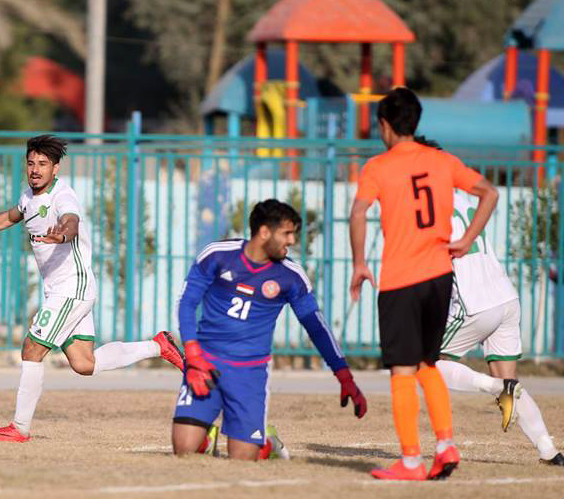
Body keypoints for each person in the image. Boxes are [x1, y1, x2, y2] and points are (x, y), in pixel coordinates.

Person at [0, 134, 184, 442]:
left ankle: (19, 428)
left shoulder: (63, 195)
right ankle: (159, 346)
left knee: (32, 348)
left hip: (72, 288)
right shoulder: (28, 197)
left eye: (43, 164)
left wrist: (63, 235)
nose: (35, 169)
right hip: (65, 290)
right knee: (83, 363)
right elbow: (11, 216)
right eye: (31, 163)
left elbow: (71, 220)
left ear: (56, 168)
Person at [350, 87, 499, 480]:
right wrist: (465, 240)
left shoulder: (378, 168)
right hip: (439, 276)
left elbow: (359, 212)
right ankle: (446, 445)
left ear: (384, 125)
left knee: (401, 371)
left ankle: (412, 460)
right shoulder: (441, 160)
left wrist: (360, 263)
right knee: (427, 365)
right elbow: (489, 192)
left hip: (401, 279)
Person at [172, 199, 367, 461]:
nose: (292, 241)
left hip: (249, 372)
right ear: (264, 232)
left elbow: (316, 327)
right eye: (286, 233)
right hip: (205, 363)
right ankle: (207, 435)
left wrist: (344, 376)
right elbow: (187, 303)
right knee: (183, 450)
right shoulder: (217, 255)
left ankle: (266, 443)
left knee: (242, 460)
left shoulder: (291, 276)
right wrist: (193, 356)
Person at [437, 189, 563, 466]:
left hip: (476, 302)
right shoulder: (461, 197)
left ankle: (493, 385)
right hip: (505, 295)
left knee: (426, 364)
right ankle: (548, 449)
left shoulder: (430, 203)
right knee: (511, 384)